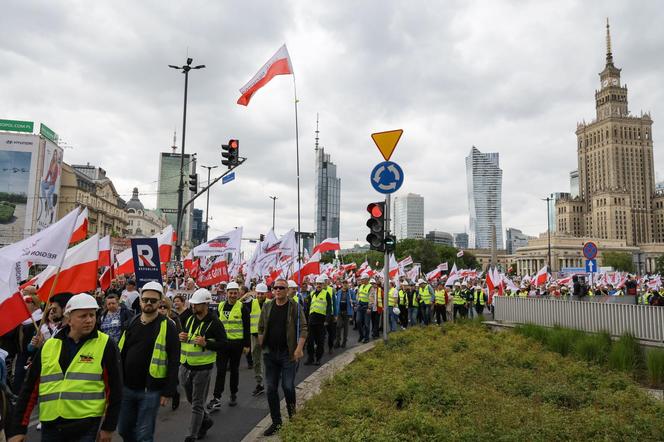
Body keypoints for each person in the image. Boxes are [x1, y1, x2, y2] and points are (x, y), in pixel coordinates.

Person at [8, 293, 122, 442]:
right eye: (83, 316)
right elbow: (29, 388)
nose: (89, 320)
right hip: (51, 425)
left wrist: (108, 427)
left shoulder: (106, 344)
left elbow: (115, 389)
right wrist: (18, 428)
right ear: (68, 318)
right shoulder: (49, 345)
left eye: (92, 315)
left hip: (85, 425)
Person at [117, 281, 180, 442]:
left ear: (160, 302)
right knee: (124, 430)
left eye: (153, 300)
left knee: (144, 435)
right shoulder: (131, 322)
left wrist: (168, 391)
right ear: (140, 301)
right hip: (127, 388)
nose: (149, 303)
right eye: (145, 300)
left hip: (150, 391)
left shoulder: (168, 326)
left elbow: (174, 360)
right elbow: (121, 353)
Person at [257, 278, 307, 437]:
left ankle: (294, 418)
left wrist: (299, 348)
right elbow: (260, 327)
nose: (278, 290)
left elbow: (304, 329)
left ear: (287, 290)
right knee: (271, 388)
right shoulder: (267, 306)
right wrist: (261, 342)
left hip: (288, 354)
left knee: (287, 386)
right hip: (270, 354)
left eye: (281, 288)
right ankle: (276, 422)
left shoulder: (295, 307)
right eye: (275, 288)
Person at [179, 288, 227, 442]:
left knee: (197, 404)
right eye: (193, 304)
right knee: (192, 399)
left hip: (202, 368)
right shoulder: (190, 319)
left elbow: (223, 344)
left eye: (197, 305)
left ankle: (191, 435)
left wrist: (206, 343)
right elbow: (187, 338)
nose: (193, 307)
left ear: (206, 304)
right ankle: (205, 420)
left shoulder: (215, 323)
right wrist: (181, 337)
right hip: (186, 366)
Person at [207, 281, 250, 411]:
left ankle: (233, 394)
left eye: (235, 293)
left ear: (238, 293)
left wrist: (247, 345)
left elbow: (246, 327)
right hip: (223, 344)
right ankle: (217, 397)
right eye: (231, 293)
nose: (233, 295)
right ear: (226, 293)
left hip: (237, 344)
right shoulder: (220, 306)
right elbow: (214, 324)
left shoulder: (242, 308)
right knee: (220, 371)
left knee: (234, 370)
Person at [304, 276, 332, 365]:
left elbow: (328, 308)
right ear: (315, 284)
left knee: (320, 341)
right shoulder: (312, 294)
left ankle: (318, 358)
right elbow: (307, 305)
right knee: (310, 341)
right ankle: (310, 358)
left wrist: (327, 320)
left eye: (320, 284)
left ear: (323, 284)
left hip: (321, 321)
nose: (318, 285)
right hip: (311, 320)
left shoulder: (326, 294)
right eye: (317, 284)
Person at [249, 283, 268, 396]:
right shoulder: (251, 303)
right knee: (256, 360)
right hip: (255, 336)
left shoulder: (271, 303)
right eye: (258, 293)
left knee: (269, 359)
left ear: (266, 293)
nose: (260, 295)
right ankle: (259, 383)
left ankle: (271, 381)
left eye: (262, 293)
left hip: (268, 336)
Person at [335, 280, 355, 347]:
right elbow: (337, 302)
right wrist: (336, 312)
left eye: (346, 283)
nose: (345, 284)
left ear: (348, 284)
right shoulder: (339, 292)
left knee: (346, 328)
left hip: (347, 312)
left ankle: (344, 342)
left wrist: (352, 301)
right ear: (342, 284)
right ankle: (338, 341)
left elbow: (355, 301)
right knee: (338, 326)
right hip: (339, 312)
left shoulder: (351, 292)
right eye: (344, 283)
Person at [355, 276, 371, 343]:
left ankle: (366, 338)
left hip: (366, 306)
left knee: (366, 324)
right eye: (361, 279)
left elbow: (372, 297)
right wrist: (357, 304)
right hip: (360, 306)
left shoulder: (370, 287)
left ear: (366, 279)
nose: (361, 280)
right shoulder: (360, 286)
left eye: (362, 279)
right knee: (358, 321)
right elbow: (358, 295)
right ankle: (361, 335)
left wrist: (369, 308)